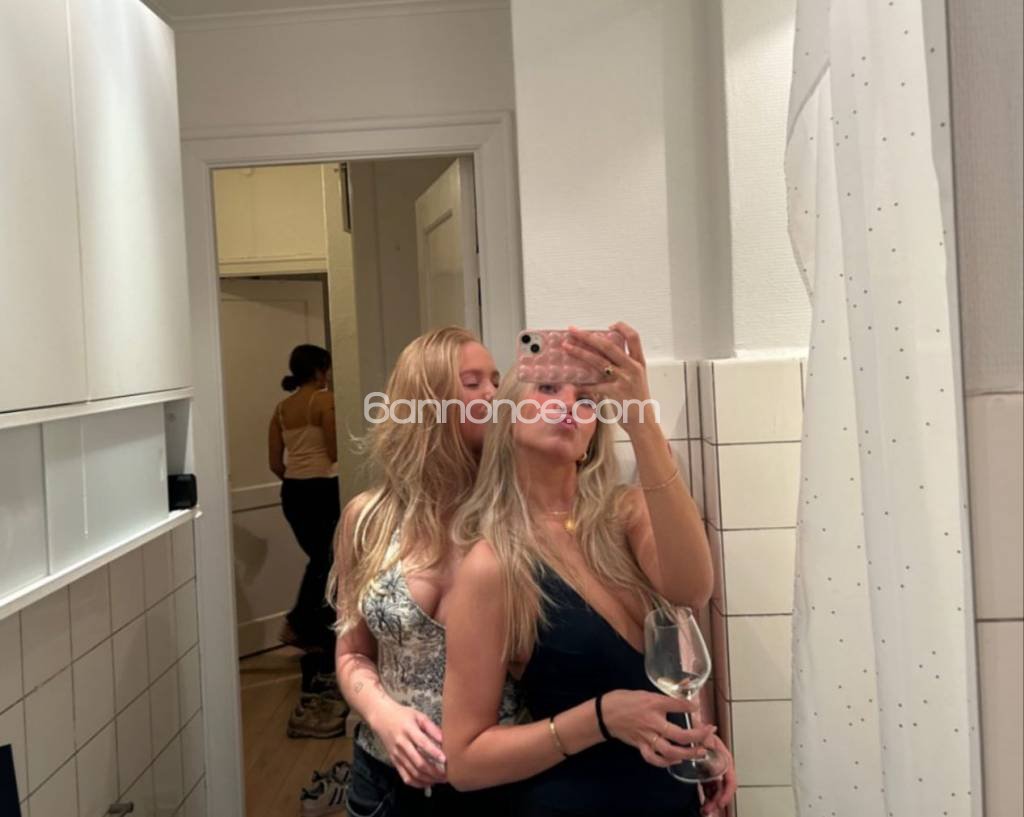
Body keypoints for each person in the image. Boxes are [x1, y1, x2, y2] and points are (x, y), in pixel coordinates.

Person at [442, 323, 738, 817]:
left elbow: (692, 589)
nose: (568, 405)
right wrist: (601, 719)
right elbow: (466, 761)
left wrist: (640, 419)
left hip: (676, 801)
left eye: (587, 402)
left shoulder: (627, 514)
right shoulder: (493, 565)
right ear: (508, 418)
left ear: (592, 438)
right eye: (547, 388)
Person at [329, 326, 519, 817]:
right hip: (383, 783)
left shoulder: (517, 517)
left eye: (496, 381)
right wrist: (382, 714)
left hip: (505, 783)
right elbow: (352, 652)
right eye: (473, 383)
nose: (494, 395)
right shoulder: (367, 519)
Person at [269, 343, 347, 738]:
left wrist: (296, 477)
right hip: (322, 488)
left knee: (321, 559)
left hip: (294, 493)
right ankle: (301, 622)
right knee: (329, 559)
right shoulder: (324, 400)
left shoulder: (282, 409)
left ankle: (308, 625)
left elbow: (274, 463)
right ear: (320, 370)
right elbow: (335, 450)